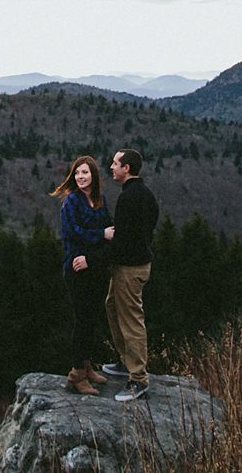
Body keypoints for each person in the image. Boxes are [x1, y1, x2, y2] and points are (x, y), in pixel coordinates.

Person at [50, 154, 111, 395]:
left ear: (94, 175)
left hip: (94, 267)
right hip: (76, 267)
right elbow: (73, 232)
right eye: (77, 173)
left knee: (92, 317)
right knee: (82, 318)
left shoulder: (99, 200)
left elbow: (110, 228)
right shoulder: (72, 201)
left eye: (85, 172)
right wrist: (101, 235)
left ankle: (86, 366)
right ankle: (76, 373)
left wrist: (104, 240)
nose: (81, 177)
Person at [101, 147, 158, 402]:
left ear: (127, 169)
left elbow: (125, 240)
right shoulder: (144, 195)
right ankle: (126, 362)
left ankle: (138, 379)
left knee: (131, 320)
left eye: (115, 163)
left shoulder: (129, 198)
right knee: (112, 306)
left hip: (130, 268)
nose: (111, 167)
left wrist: (98, 253)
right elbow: (145, 229)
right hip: (134, 263)